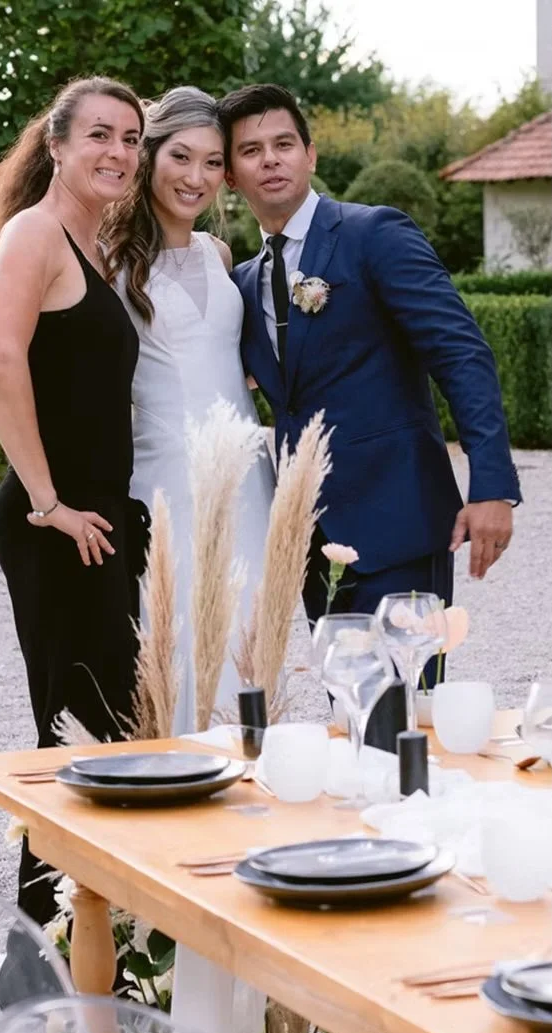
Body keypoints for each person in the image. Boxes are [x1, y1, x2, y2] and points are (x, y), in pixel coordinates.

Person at [217, 83, 521, 661]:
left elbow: (461, 353)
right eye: (251, 150)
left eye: (284, 143)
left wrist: (493, 487)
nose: (271, 159)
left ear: (311, 154)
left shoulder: (373, 233)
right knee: (350, 713)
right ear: (230, 174)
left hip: (398, 521)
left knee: (411, 716)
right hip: (307, 539)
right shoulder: (242, 281)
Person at [0, 76, 150, 930]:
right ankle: (44, 951)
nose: (118, 152)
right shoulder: (35, 233)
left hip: (94, 520)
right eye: (100, 136)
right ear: (57, 146)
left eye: (130, 139)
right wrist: (47, 502)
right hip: (58, 525)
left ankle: (84, 936)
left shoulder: (87, 242)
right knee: (76, 732)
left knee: (102, 727)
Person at [105, 86, 275, 734]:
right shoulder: (109, 260)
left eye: (211, 162)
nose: (196, 176)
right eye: (181, 156)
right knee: (181, 636)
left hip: (247, 479)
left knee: (254, 630)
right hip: (166, 477)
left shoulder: (219, 253)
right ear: (149, 155)